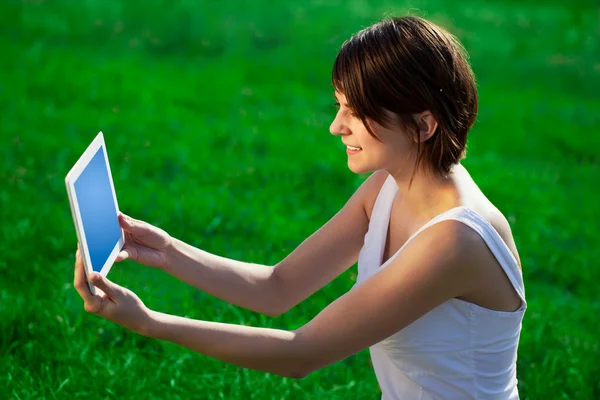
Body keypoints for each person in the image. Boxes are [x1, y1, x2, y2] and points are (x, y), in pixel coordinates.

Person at [74, 15, 526, 400]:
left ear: (423, 124)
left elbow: (301, 353)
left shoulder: (456, 240)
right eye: (339, 106)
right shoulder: (387, 187)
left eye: (355, 112)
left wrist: (151, 323)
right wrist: (165, 251)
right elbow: (278, 287)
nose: (335, 127)